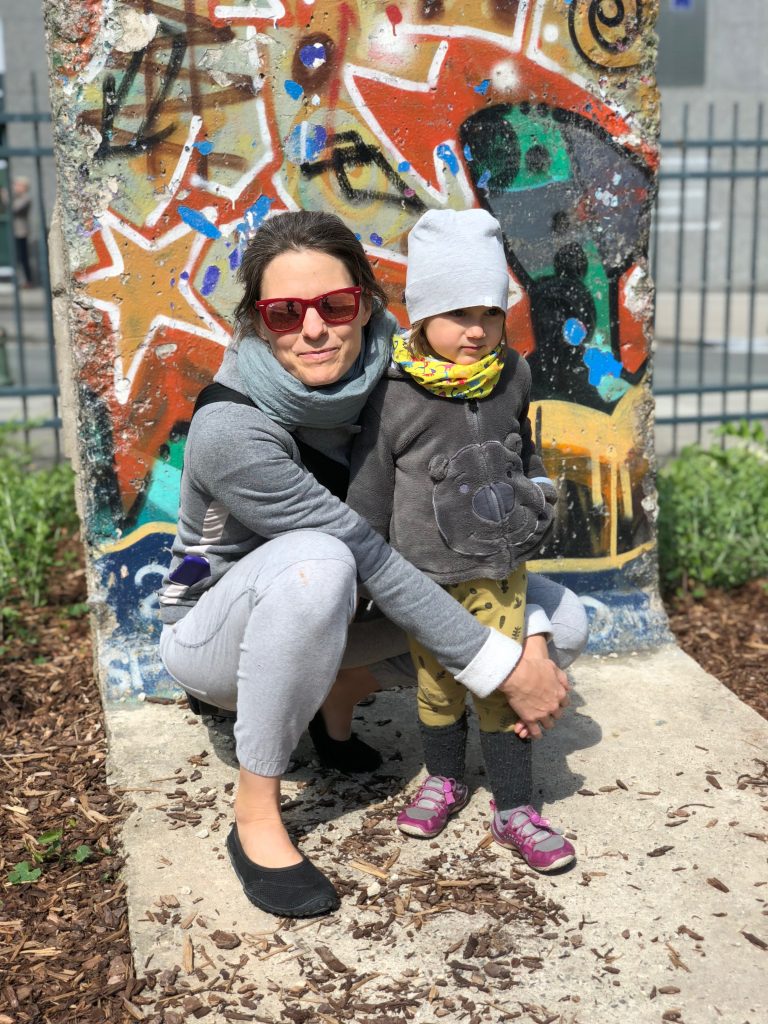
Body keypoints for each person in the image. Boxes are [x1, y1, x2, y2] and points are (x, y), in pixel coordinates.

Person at [157, 210, 579, 919]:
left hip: (345, 611)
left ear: (368, 304)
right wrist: (504, 666)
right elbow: (364, 555)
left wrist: (525, 623)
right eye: (285, 313)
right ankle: (256, 814)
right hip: (217, 634)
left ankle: (337, 687)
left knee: (562, 621)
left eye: (336, 305)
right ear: (259, 322)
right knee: (318, 562)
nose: (314, 329)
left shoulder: (406, 375)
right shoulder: (233, 427)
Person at [347, 209, 584, 872]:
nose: (475, 330)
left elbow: (526, 452)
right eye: (456, 314)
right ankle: (444, 778)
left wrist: (539, 495)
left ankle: (515, 808)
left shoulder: (513, 376)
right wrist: (362, 576)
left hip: (500, 568)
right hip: (424, 581)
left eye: (489, 311)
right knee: (439, 689)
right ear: (420, 317)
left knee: (499, 690)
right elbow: (368, 492)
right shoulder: (393, 397)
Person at [12, 178, 33, 288]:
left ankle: (27, 281)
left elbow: (14, 208)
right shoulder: (17, 197)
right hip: (14, 231)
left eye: (18, 185)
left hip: (21, 231)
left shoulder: (26, 198)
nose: (16, 187)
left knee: (22, 257)